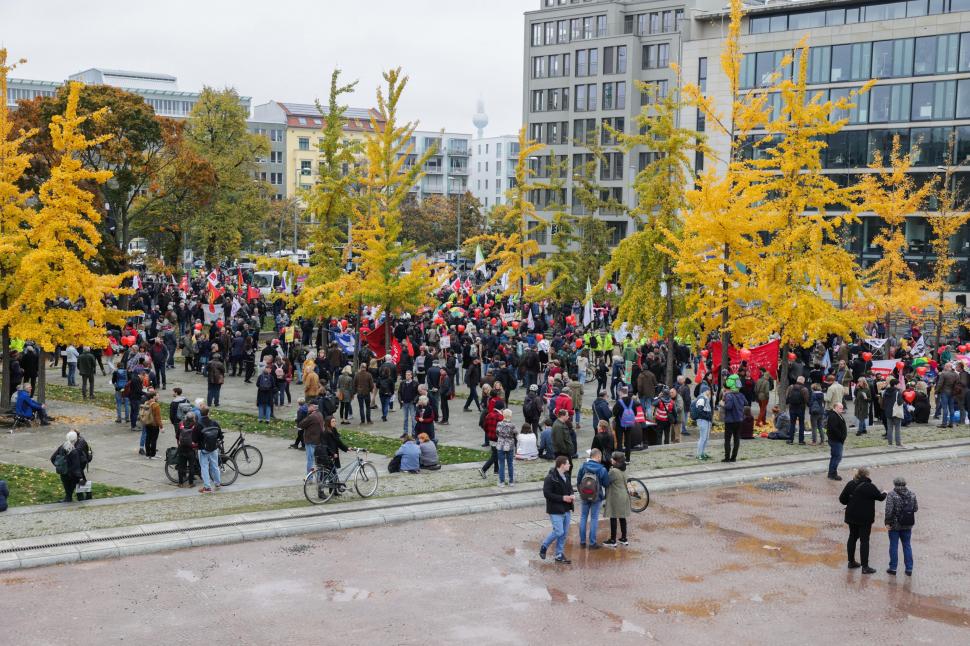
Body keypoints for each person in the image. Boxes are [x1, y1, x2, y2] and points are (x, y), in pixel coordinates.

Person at [839, 466, 887, 574]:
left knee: (852, 537)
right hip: (865, 518)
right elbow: (880, 497)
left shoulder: (850, 484)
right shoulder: (870, 486)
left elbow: (842, 500)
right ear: (866, 475)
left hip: (851, 516)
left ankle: (851, 562)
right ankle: (865, 567)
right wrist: (885, 492)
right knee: (864, 541)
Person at [539, 455, 575, 564]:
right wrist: (562, 498)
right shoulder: (550, 478)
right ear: (562, 465)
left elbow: (570, 488)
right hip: (555, 510)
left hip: (566, 509)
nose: (570, 465)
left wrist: (572, 494)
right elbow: (547, 494)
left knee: (564, 534)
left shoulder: (567, 476)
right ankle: (544, 546)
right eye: (568, 463)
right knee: (559, 531)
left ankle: (559, 554)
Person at [575, 448, 609, 549]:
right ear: (597, 456)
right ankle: (592, 543)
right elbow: (606, 483)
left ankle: (582, 542)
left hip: (585, 495)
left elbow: (578, 481)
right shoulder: (602, 469)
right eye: (600, 457)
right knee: (594, 518)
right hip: (596, 497)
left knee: (583, 517)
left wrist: (581, 493)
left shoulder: (583, 466)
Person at [884, 476, 918, 576]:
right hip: (907, 524)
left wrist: (887, 522)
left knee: (893, 546)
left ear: (895, 483)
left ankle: (893, 568)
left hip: (894, 525)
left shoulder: (891, 494)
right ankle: (909, 569)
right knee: (907, 545)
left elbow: (889, 510)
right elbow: (915, 508)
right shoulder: (912, 494)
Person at [193, 405, 223, 493]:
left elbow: (194, 439)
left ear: (200, 414)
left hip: (203, 449)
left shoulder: (198, 425)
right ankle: (218, 483)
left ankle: (207, 487)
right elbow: (220, 436)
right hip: (214, 448)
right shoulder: (214, 423)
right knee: (215, 466)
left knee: (204, 467)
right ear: (208, 413)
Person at [602, 451, 630, 547]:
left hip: (616, 496)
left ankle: (613, 540)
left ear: (615, 461)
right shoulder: (624, 469)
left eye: (612, 458)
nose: (611, 459)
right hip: (624, 495)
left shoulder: (613, 471)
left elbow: (606, 482)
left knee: (613, 516)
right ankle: (624, 538)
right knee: (622, 517)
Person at [50, 431, 85, 503]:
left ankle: (68, 498)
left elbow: (52, 458)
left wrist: (59, 466)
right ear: (75, 439)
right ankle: (80, 499)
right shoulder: (74, 451)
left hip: (63, 472)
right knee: (77, 486)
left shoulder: (62, 447)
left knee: (67, 490)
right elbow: (76, 466)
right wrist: (80, 477)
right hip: (72, 475)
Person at [722, 374, 746, 463]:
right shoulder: (741, 395)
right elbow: (746, 403)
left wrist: (722, 404)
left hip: (730, 421)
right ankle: (734, 457)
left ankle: (727, 458)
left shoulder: (729, 396)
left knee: (727, 440)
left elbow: (728, 407)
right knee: (736, 439)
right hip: (739, 420)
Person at [298, 403, 325, 474]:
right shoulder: (320, 414)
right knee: (317, 460)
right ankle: (319, 477)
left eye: (309, 406)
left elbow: (301, 424)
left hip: (311, 441)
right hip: (318, 440)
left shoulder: (312, 416)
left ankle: (309, 477)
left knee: (310, 460)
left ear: (313, 407)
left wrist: (307, 414)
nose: (307, 408)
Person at [495, 409, 519, 487]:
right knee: (510, 463)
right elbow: (516, 434)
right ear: (510, 416)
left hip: (500, 445)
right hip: (510, 445)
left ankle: (501, 482)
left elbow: (497, 433)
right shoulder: (512, 425)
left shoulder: (499, 424)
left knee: (501, 464)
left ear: (503, 415)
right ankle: (511, 481)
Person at [826, 402, 848, 480]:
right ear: (835, 407)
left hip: (837, 440)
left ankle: (832, 473)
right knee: (837, 457)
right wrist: (841, 437)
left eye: (842, 408)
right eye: (840, 408)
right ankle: (832, 474)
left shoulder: (837, 414)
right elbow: (834, 429)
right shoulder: (833, 416)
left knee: (835, 457)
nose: (842, 409)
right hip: (835, 440)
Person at [691, 384, 713, 460]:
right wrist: (707, 416)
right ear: (704, 391)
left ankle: (703, 453)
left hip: (706, 420)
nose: (709, 391)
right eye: (708, 390)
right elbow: (700, 410)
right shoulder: (702, 399)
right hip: (702, 420)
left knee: (706, 438)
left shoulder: (706, 398)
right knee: (703, 438)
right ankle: (699, 454)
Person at [176, 412, 197, 488]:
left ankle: (180, 483)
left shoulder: (181, 424)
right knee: (191, 466)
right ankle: (191, 483)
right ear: (193, 418)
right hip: (191, 448)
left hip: (181, 447)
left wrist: (179, 442)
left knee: (181, 466)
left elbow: (177, 435)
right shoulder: (195, 425)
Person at [551, 408, 576, 473]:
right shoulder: (558, 426)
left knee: (568, 467)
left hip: (564, 451)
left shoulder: (561, 423)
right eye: (567, 415)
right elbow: (559, 441)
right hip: (562, 452)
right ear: (562, 416)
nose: (568, 417)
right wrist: (565, 451)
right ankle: (565, 479)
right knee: (566, 468)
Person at [883, 379, 904, 447]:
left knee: (889, 428)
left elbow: (883, 402)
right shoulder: (898, 392)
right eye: (898, 384)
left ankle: (890, 443)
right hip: (895, 412)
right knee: (897, 428)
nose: (899, 385)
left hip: (888, 412)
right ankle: (898, 444)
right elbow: (900, 402)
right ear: (895, 385)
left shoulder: (885, 391)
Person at [142, 390, 163, 459]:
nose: (158, 396)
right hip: (154, 424)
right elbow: (157, 417)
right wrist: (161, 426)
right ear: (154, 396)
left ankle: (148, 454)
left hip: (147, 423)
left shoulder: (146, 403)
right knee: (154, 439)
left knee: (148, 438)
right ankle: (153, 454)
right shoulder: (155, 405)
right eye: (157, 395)